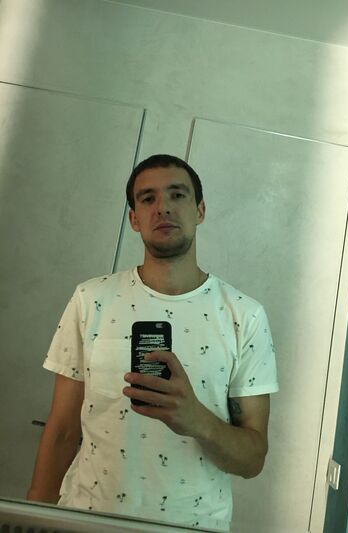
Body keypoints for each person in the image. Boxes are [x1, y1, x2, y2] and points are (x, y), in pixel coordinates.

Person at [27, 154, 279, 531]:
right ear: (134, 218)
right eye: (148, 198)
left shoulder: (245, 316)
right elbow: (62, 429)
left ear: (200, 210)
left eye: (177, 194)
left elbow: (252, 460)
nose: (162, 207)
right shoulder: (91, 300)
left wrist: (197, 419)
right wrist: (33, 518)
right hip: (86, 518)